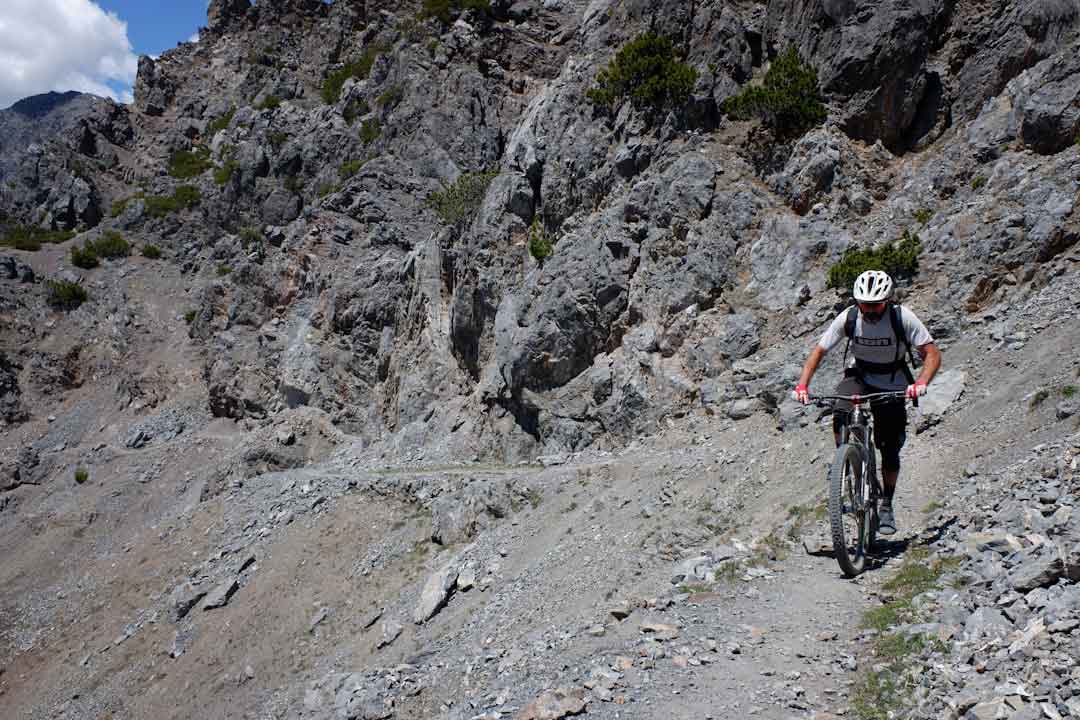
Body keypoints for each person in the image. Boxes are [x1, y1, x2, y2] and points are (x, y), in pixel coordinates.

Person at [791, 270, 941, 535]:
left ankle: (886, 503)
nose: (870, 310)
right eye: (865, 304)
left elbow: (931, 353)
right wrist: (802, 385)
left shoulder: (902, 317)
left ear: (887, 300)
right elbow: (819, 351)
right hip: (859, 374)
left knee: (889, 447)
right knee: (840, 411)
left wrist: (921, 383)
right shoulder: (849, 317)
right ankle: (845, 461)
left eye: (876, 304)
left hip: (893, 380)